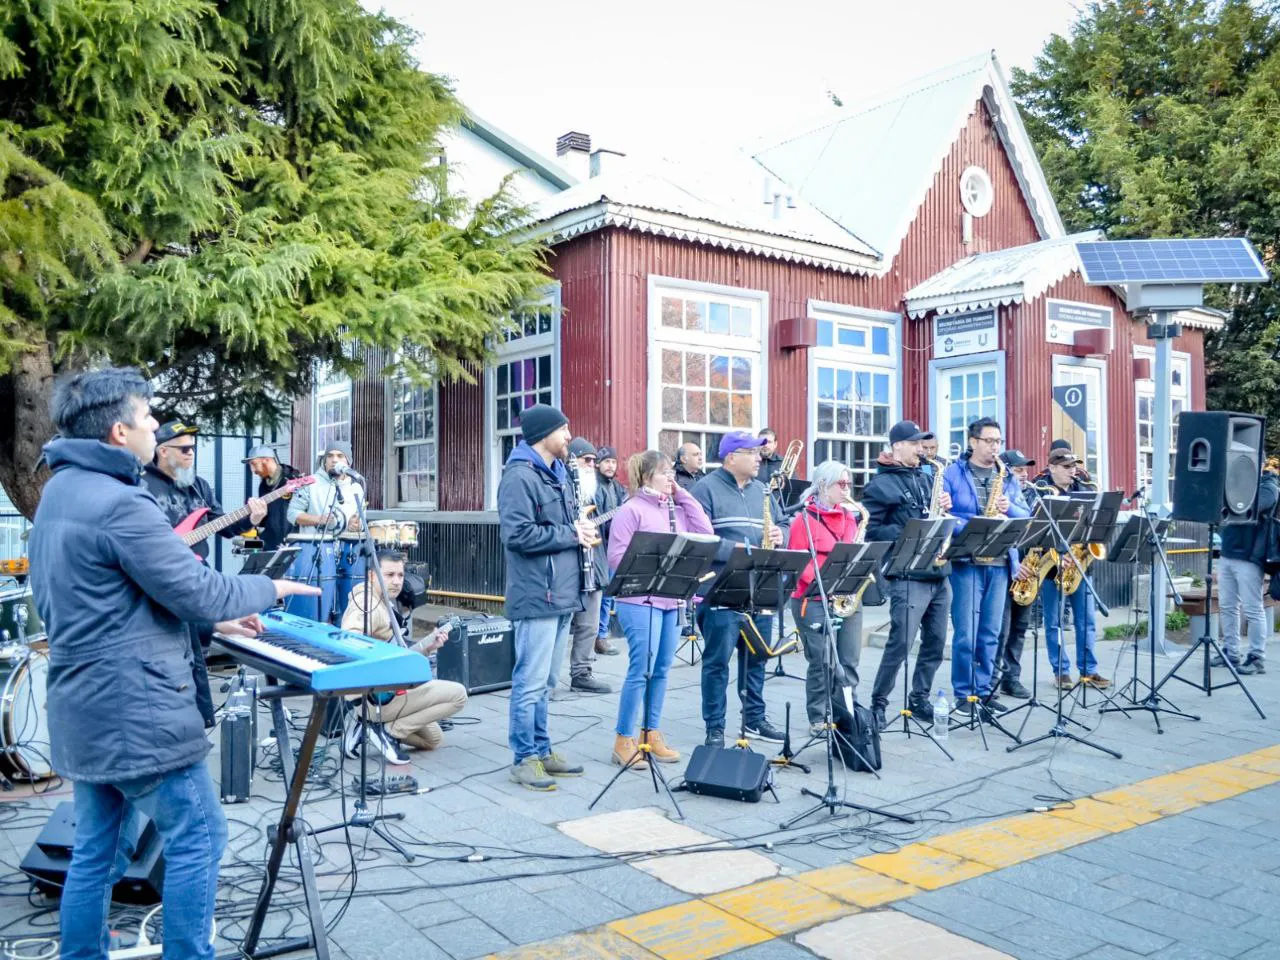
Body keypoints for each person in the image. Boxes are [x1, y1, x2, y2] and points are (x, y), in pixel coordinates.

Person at [28, 367, 317, 960]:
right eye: (147, 416)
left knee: (98, 852)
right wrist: (270, 592)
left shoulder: (61, 490)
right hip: (137, 711)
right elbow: (201, 590)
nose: (156, 424)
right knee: (200, 837)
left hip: (82, 705)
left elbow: (111, 598)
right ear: (117, 431)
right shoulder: (120, 504)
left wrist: (212, 623)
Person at [144, 420, 267, 726]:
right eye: (184, 449)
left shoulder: (198, 485)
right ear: (162, 451)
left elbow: (222, 524)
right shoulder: (141, 485)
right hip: (164, 579)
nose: (190, 454)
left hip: (197, 572)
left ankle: (193, 723)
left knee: (196, 653)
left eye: (193, 449)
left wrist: (250, 518)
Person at [497, 403, 592, 791]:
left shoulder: (557, 474)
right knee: (530, 681)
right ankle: (524, 758)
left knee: (548, 681)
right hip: (537, 594)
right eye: (563, 429)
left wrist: (580, 527)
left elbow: (560, 525)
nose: (569, 436)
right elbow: (517, 536)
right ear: (544, 434)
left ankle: (542, 748)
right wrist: (572, 535)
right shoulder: (520, 476)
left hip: (561, 594)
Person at [606, 451, 714, 769]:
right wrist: (655, 559)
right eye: (664, 472)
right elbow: (616, 558)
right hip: (639, 599)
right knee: (641, 669)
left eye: (672, 472)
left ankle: (650, 732)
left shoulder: (675, 508)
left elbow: (705, 532)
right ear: (645, 476)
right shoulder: (631, 510)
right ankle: (623, 739)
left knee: (663, 670)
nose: (671, 477)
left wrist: (683, 495)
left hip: (671, 598)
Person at [692, 430, 787, 746]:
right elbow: (700, 540)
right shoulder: (705, 489)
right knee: (717, 662)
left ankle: (754, 720)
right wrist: (745, 548)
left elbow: (785, 522)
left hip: (761, 586)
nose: (760, 457)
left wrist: (780, 534)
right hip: (722, 588)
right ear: (732, 457)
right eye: (753, 452)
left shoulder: (763, 489)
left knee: (757, 657)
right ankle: (715, 726)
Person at [864, 421, 952, 731]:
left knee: (936, 641)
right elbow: (870, 531)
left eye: (923, 444)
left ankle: (920, 698)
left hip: (937, 570)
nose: (921, 449)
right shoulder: (879, 486)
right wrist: (908, 529)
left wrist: (942, 508)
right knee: (900, 643)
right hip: (906, 573)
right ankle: (878, 702)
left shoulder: (927, 478)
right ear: (897, 446)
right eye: (915, 444)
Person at [341, 549, 467, 762]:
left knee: (433, 740)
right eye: (389, 575)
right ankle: (388, 733)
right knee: (459, 694)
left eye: (400, 575)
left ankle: (368, 727)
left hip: (383, 691)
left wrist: (429, 645)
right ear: (373, 575)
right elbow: (349, 644)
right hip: (377, 696)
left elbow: (397, 657)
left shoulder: (383, 601)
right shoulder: (367, 604)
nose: (397, 581)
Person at [942, 417, 1030, 717]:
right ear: (973, 441)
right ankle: (964, 695)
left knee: (991, 633)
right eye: (989, 441)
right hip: (966, 561)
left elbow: (1025, 515)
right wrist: (971, 526)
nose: (995, 447)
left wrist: (1010, 506)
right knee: (966, 632)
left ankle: (984, 692)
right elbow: (944, 514)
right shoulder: (952, 473)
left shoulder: (1006, 476)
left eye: (998, 442)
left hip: (1001, 560)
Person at [786, 460, 865, 737]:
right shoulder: (802, 520)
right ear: (822, 485)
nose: (846, 490)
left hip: (846, 597)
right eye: (840, 484)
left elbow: (851, 554)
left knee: (849, 660)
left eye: (848, 484)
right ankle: (818, 716)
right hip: (813, 599)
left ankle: (847, 710)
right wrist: (825, 584)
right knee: (823, 661)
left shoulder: (849, 517)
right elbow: (798, 561)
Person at [1031, 447, 1109, 689]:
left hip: (1081, 564)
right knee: (1053, 622)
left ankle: (1089, 670)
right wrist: (1053, 554)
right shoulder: (1041, 491)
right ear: (1052, 467)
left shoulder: (1085, 490)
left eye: (1073, 465)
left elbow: (1096, 525)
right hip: (1053, 566)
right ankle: (1061, 671)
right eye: (1066, 466)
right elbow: (1034, 532)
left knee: (1087, 621)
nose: (1072, 470)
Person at [285, 442, 366, 621]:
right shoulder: (309, 483)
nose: (334, 460)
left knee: (348, 611)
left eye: (339, 456)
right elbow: (292, 514)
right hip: (315, 553)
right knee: (315, 613)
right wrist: (319, 520)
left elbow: (360, 522)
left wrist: (357, 525)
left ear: (348, 461)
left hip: (348, 554)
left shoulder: (356, 488)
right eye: (330, 456)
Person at [1215, 458, 1279, 675]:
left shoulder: (1269, 487)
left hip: (1250, 556)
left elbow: (1248, 507)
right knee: (1227, 606)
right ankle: (1231, 652)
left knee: (1252, 608)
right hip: (1227, 553)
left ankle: (1256, 657)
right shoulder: (1234, 482)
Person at [561, 437, 612, 694]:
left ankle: (582, 672)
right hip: (567, 567)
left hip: (594, 563)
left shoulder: (599, 490)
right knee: (559, 626)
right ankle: (544, 677)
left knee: (590, 624)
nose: (592, 465)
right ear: (572, 461)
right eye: (586, 460)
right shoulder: (561, 486)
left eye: (594, 460)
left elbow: (610, 524)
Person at [994, 449, 1038, 699]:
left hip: (1029, 565)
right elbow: (1006, 529)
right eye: (1019, 469)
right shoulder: (1000, 491)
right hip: (1008, 565)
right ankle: (994, 679)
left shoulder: (1028, 493)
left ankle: (1012, 677)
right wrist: (1014, 563)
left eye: (1026, 469)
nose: (1024, 474)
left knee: (1020, 627)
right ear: (1007, 469)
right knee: (1002, 628)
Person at [594, 445, 626, 654]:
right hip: (598, 548)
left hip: (614, 547)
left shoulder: (617, 487)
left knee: (609, 595)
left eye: (613, 462)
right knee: (600, 596)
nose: (610, 465)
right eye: (606, 461)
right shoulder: (593, 487)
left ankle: (601, 635)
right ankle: (598, 637)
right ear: (598, 464)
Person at [243, 443, 302, 550]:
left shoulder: (293, 479)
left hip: (293, 545)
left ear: (267, 460)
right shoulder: (263, 486)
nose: (252, 470)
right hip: (270, 546)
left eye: (254, 464)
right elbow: (266, 519)